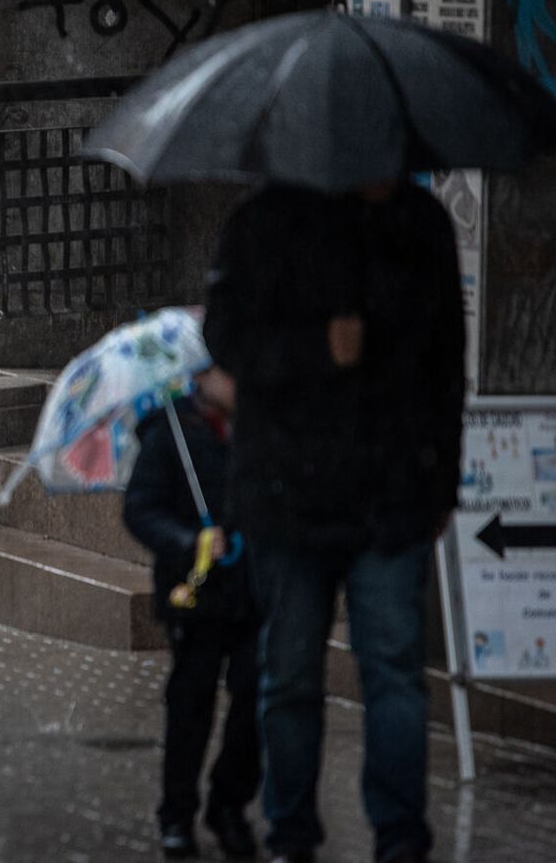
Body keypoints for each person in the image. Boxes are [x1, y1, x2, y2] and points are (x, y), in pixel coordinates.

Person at [203, 180, 464, 863]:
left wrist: (441, 480)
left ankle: (400, 839)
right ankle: (291, 836)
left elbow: (446, 363)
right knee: (290, 673)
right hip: (289, 495)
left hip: (391, 494)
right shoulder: (263, 220)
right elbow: (224, 338)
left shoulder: (417, 223)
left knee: (394, 671)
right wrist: (317, 347)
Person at [124, 365, 259, 861]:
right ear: (202, 376)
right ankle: (177, 814)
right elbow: (140, 510)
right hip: (195, 592)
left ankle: (229, 804)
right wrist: (189, 541)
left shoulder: (259, 429)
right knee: (191, 700)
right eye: (229, 371)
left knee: (254, 695)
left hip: (252, 589)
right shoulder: (171, 432)